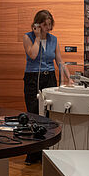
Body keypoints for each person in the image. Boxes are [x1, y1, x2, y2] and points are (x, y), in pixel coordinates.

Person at [21, 9, 69, 163]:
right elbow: (33, 55)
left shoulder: (53, 39)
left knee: (48, 116)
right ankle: (33, 153)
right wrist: (37, 37)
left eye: (50, 24)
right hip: (33, 78)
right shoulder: (28, 37)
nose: (48, 28)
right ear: (37, 25)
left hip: (49, 78)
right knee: (34, 114)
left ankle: (47, 153)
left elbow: (59, 61)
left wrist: (69, 78)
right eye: (45, 25)